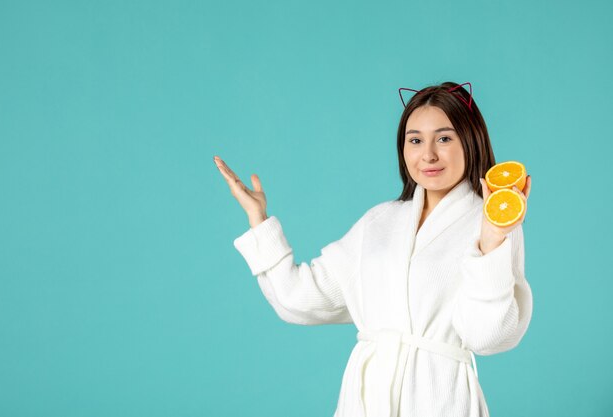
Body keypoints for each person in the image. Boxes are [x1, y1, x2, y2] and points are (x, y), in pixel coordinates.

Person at [212, 81, 533, 417]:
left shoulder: (490, 222)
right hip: (366, 401)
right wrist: (258, 219)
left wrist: (493, 240)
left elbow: (488, 336)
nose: (429, 154)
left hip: (439, 399)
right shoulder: (380, 221)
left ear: (470, 140)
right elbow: (297, 299)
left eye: (444, 138)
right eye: (415, 140)